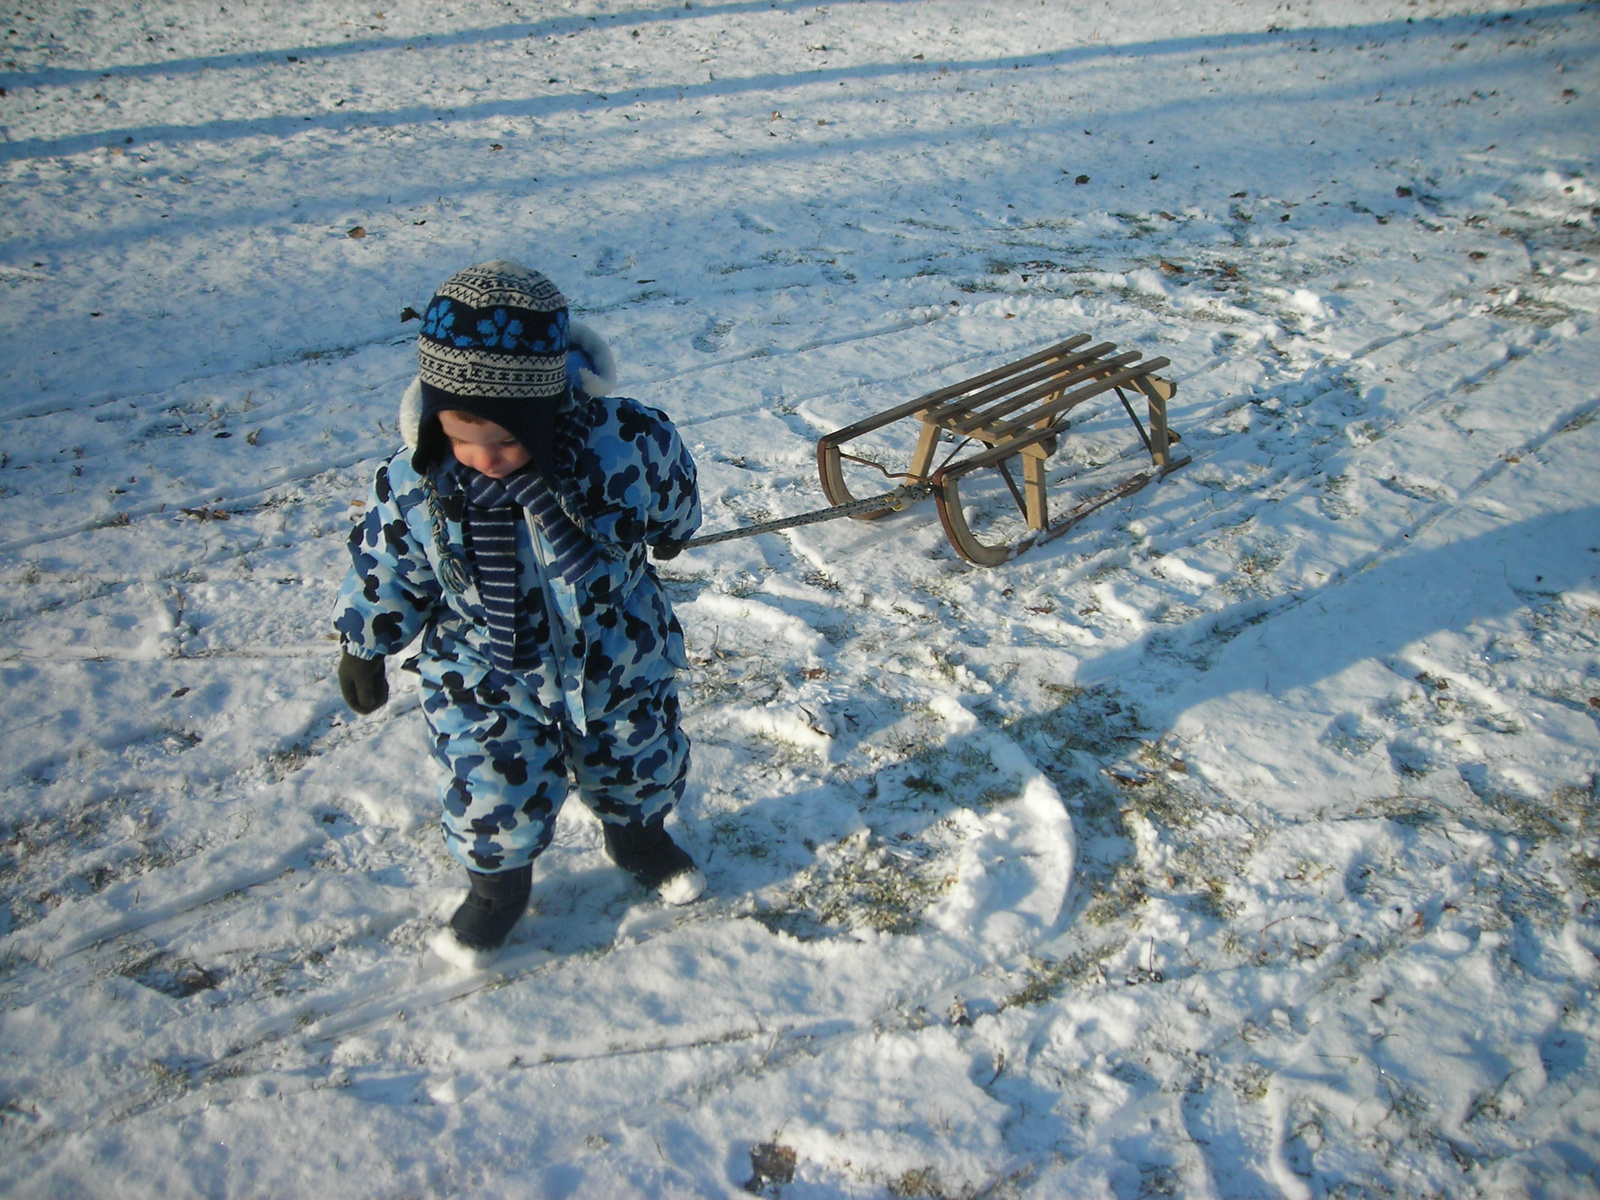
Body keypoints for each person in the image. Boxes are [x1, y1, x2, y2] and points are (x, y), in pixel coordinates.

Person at [332, 260, 703, 962]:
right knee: (489, 784)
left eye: (506, 441)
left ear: (548, 409)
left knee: (638, 755)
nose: (486, 459)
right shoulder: (417, 480)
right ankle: (498, 891)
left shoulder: (621, 443)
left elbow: (670, 482)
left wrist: (673, 529)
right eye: (464, 439)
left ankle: (640, 836)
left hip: (616, 646)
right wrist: (365, 642)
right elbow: (387, 561)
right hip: (485, 667)